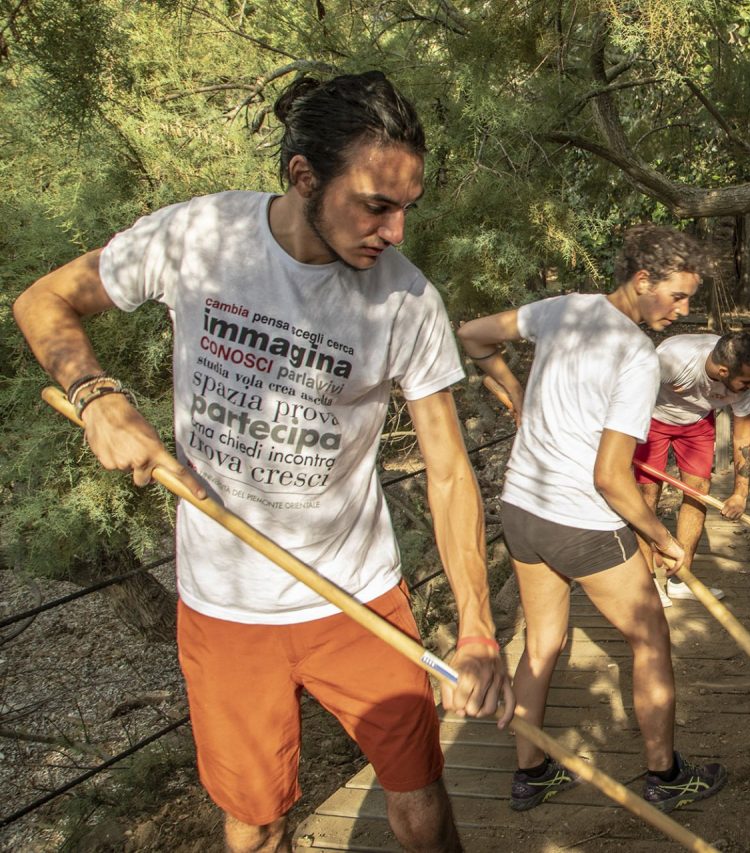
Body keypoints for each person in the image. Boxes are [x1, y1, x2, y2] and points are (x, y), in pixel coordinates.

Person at [12, 72, 513, 853]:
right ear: (302, 175)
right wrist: (98, 396)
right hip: (224, 605)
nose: (395, 231)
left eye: (407, 207)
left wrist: (478, 629)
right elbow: (43, 300)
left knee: (418, 792)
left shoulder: (408, 301)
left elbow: (448, 468)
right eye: (376, 204)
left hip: (360, 593)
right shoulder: (200, 237)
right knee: (254, 818)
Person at [457, 225, 729, 814]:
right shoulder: (637, 356)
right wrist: (661, 538)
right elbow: (610, 477)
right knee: (651, 639)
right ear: (642, 281)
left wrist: (515, 390)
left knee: (542, 641)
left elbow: (472, 334)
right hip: (580, 521)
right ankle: (666, 776)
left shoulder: (565, 309)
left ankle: (530, 775)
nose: (682, 311)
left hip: (522, 509)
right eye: (677, 296)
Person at [633, 332, 750, 607]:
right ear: (723, 371)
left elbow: (743, 436)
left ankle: (682, 578)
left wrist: (740, 494)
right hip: (650, 418)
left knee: (699, 491)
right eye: (746, 381)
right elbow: (627, 393)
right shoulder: (672, 361)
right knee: (646, 495)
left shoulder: (746, 383)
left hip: (697, 423)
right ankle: (646, 583)